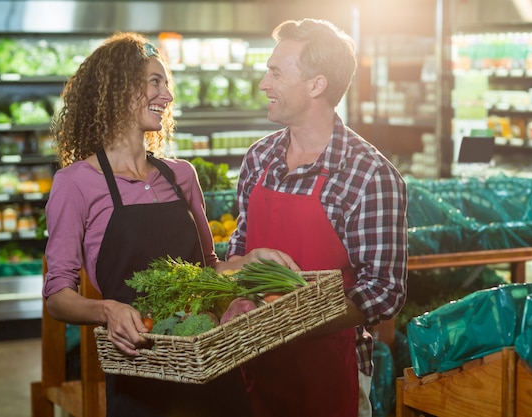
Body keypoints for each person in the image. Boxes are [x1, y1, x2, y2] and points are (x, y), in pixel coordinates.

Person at [42, 32, 297, 417]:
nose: (168, 95)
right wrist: (107, 310)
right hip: (138, 371)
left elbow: (207, 269)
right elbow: (58, 294)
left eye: (167, 83)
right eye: (155, 81)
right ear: (118, 88)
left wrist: (251, 261)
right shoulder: (75, 183)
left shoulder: (181, 175)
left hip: (208, 360)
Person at [226, 18, 408, 417]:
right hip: (252, 368)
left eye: (275, 72)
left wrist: (297, 319)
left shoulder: (368, 174)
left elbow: (384, 290)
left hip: (329, 373)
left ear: (316, 85)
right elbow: (237, 251)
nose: (264, 84)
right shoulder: (259, 159)